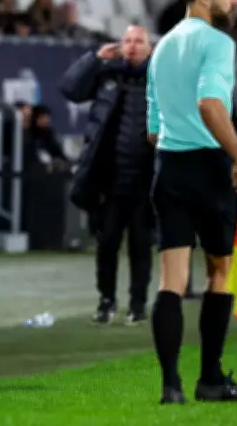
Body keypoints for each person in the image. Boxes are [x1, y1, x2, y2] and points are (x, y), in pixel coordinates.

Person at [147, 0, 237, 405]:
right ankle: (210, 380)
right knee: (219, 274)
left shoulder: (162, 47)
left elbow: (153, 129)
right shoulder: (217, 42)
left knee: (171, 281)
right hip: (209, 170)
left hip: (168, 168)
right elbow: (212, 105)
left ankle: (170, 386)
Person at [59, 25, 154, 325]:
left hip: (146, 180)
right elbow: (70, 90)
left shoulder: (163, 78)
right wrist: (94, 59)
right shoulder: (107, 75)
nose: (132, 46)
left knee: (141, 246)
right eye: (127, 41)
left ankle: (138, 304)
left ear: (150, 48)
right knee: (107, 243)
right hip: (110, 180)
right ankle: (106, 300)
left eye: (139, 41)